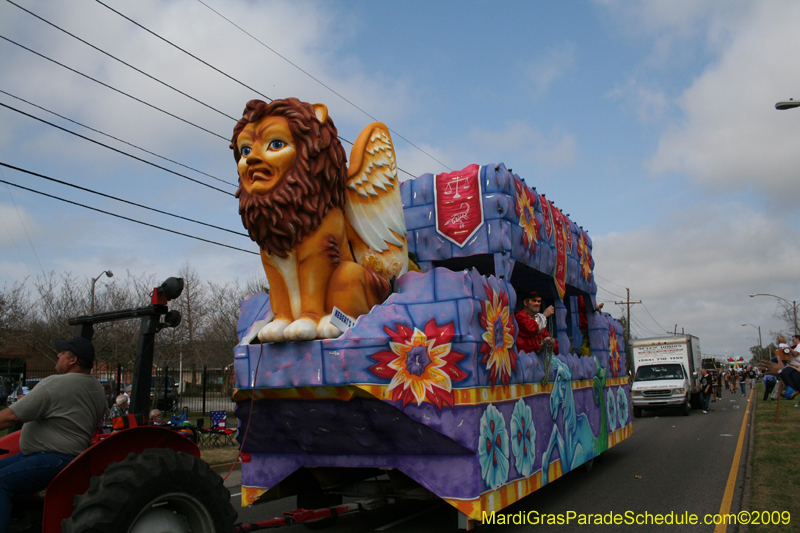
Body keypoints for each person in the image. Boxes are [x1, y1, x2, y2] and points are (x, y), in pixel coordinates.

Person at [0, 336, 106, 533]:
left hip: (52, 457)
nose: (57, 355)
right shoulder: (96, 388)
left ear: (72, 360)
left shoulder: (57, 384)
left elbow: (10, 416)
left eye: (62, 353)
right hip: (64, 458)